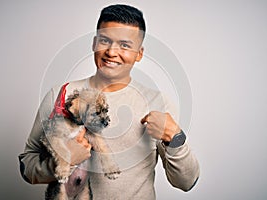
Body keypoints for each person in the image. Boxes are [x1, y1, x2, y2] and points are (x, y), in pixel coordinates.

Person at [18, 4, 200, 199]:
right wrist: (63, 161)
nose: (112, 52)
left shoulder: (157, 102)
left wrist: (175, 138)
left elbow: (186, 182)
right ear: (94, 43)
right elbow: (26, 166)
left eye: (125, 45)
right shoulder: (62, 95)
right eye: (105, 41)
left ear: (139, 53)